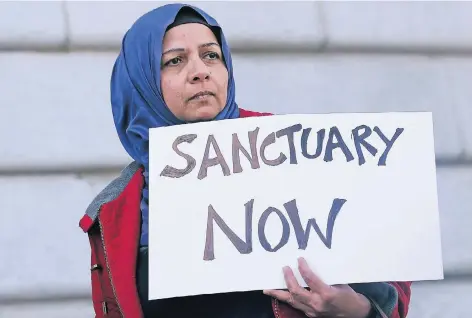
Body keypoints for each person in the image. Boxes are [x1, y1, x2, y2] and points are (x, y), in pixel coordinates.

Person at [78, 3, 412, 318]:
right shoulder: (114, 211)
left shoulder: (298, 152)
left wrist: (354, 309)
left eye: (211, 56)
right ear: (141, 82)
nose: (200, 72)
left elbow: (390, 289)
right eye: (174, 61)